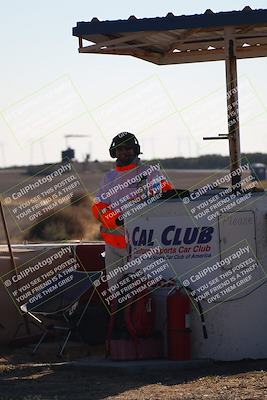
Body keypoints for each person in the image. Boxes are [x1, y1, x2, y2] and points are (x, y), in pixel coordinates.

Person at [91, 132, 174, 287]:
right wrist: (117, 219)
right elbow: (99, 207)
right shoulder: (109, 177)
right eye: (119, 148)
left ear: (135, 150)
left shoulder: (149, 172)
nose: (123, 152)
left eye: (128, 148)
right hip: (114, 246)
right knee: (116, 293)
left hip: (143, 246)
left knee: (142, 293)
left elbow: (168, 198)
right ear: (113, 152)